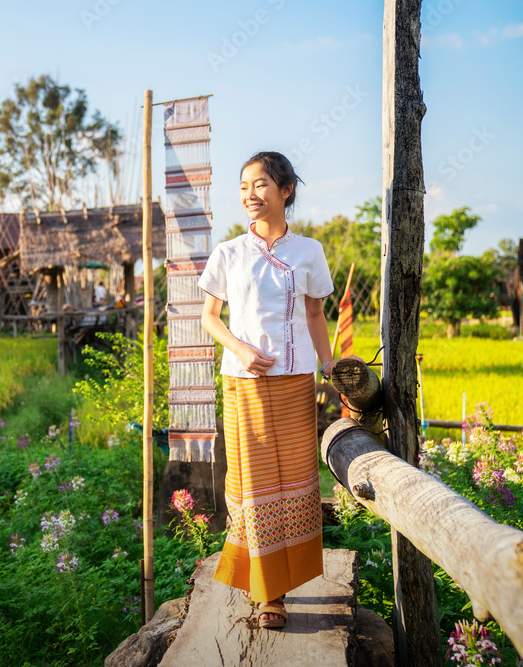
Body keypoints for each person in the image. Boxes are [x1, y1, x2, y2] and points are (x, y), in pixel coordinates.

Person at [198, 151, 350, 629]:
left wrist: (330, 366)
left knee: (294, 481)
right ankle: (268, 594)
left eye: (261, 184)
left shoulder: (309, 251)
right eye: (244, 185)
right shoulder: (228, 253)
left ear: (285, 190)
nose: (250, 194)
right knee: (254, 484)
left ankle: (282, 581)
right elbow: (209, 318)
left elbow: (314, 316)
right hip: (245, 384)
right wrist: (241, 350)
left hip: (295, 384)